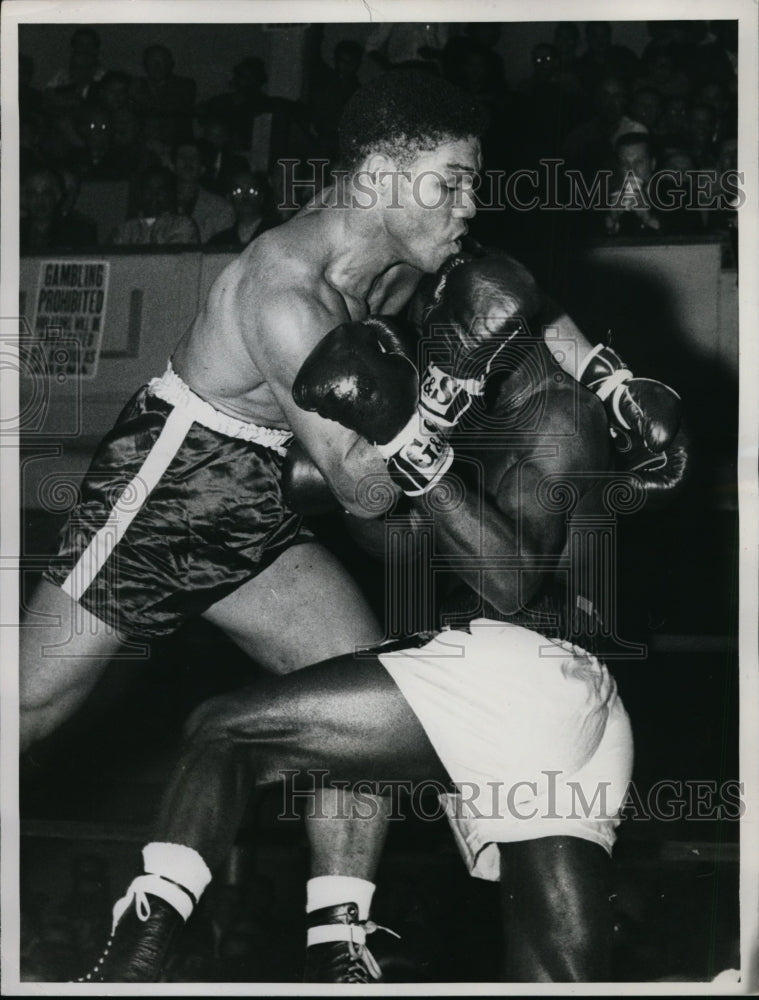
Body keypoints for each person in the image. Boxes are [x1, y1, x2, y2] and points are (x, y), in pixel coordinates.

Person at [21, 70, 681, 982]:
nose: (469, 201)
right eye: (451, 180)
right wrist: (444, 394)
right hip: (175, 487)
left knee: (350, 675)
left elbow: (514, 298)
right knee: (30, 705)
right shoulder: (284, 291)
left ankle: (340, 947)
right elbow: (366, 492)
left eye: (471, 179)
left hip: (274, 497)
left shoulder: (421, 235)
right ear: (375, 180)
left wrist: (610, 380)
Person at [109, 165, 199, 246]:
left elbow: (170, 259)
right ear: (140, 193)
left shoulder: (183, 225)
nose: (154, 196)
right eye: (148, 190)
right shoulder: (125, 230)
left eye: (161, 190)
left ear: (171, 194)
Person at [205, 169, 279, 249]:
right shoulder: (219, 242)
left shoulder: (277, 234)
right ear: (229, 198)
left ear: (261, 197)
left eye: (252, 191)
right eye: (238, 191)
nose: (245, 197)